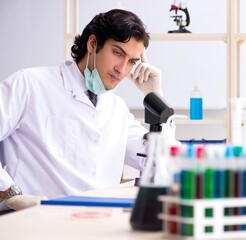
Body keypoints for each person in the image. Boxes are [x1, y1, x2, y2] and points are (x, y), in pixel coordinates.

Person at [0, 9, 162, 211]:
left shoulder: (116, 109)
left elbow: (159, 162)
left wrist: (156, 98)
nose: (122, 69)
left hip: (96, 223)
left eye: (131, 61)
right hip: (35, 221)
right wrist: (11, 195)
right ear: (93, 44)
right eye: (117, 53)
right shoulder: (29, 84)